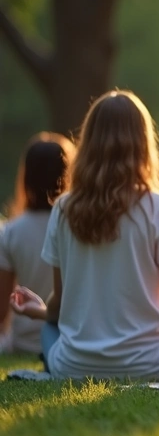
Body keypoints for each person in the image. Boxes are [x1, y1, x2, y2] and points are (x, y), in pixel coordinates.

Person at [10, 92, 159, 380]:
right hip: (152, 365)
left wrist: (38, 311)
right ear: (143, 143)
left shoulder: (64, 208)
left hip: (74, 367)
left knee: (49, 329)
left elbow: (60, 305)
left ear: (88, 143)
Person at [0, 133, 75, 354]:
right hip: (69, 338)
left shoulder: (11, 232)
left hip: (23, 343)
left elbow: (2, 311)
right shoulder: (79, 227)